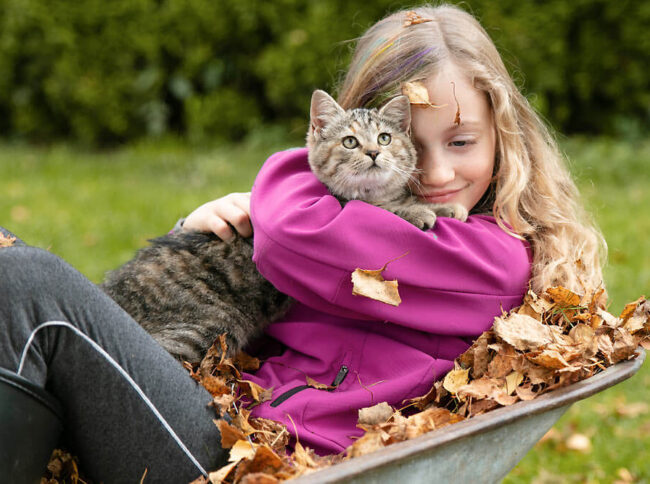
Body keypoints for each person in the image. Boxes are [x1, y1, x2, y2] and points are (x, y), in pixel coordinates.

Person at [0, 3, 605, 482]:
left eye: (461, 142)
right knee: (16, 279)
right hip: (230, 420)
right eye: (412, 145)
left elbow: (290, 232)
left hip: (269, 462)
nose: (436, 173)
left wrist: (280, 186)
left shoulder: (487, 258)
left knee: (27, 284)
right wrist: (202, 226)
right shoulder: (355, 234)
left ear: (504, 135)